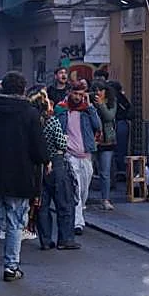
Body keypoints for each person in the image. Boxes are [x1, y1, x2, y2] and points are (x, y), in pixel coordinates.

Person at [0, 71, 48, 284]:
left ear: (3, 88)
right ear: (23, 89)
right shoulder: (30, 114)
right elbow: (40, 150)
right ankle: (11, 267)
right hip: (20, 176)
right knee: (15, 222)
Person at [32, 90, 77, 251]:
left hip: (38, 166)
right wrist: (64, 140)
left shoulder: (33, 123)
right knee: (64, 202)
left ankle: (45, 240)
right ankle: (65, 239)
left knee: (42, 204)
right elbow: (61, 144)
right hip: (56, 163)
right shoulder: (52, 122)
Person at [56, 82, 100, 235]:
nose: (78, 97)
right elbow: (58, 130)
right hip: (70, 155)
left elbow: (98, 126)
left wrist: (90, 107)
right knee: (76, 189)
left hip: (86, 155)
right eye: (76, 94)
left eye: (81, 94)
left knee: (84, 191)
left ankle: (79, 211)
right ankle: (78, 222)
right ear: (69, 92)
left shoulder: (86, 110)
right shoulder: (61, 109)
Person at [90, 79, 118, 212]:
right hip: (92, 140)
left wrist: (101, 105)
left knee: (104, 172)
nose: (97, 93)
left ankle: (105, 199)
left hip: (107, 141)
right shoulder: (89, 104)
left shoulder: (111, 102)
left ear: (105, 91)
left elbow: (109, 116)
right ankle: (84, 198)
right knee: (88, 170)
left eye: (100, 90)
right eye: (95, 90)